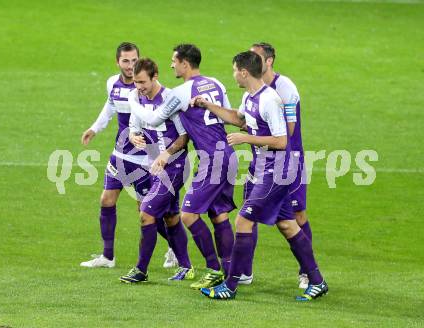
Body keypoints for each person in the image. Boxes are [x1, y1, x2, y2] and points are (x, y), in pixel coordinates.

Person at [192, 51, 328, 301]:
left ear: (244, 72)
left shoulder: (270, 100)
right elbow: (238, 118)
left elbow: (281, 140)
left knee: (243, 222)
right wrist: (208, 105)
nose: (233, 74)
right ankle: (317, 281)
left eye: (234, 70)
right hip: (264, 167)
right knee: (287, 225)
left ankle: (230, 285)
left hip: (275, 170)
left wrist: (246, 138)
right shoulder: (249, 96)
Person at [128, 44, 236, 289]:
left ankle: (214, 269)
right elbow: (229, 115)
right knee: (219, 215)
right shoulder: (216, 83)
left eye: (174, 61)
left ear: (185, 64)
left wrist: (130, 100)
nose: (171, 65)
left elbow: (154, 119)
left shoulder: (179, 92)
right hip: (227, 154)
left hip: (211, 159)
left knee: (187, 214)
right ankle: (232, 272)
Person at [80, 42, 177, 269]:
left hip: (144, 159)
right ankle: (107, 257)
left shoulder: (149, 88)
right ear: (118, 62)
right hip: (120, 154)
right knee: (106, 199)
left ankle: (174, 246)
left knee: (145, 211)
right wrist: (95, 128)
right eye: (126, 61)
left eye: (134, 60)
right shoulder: (112, 84)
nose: (131, 65)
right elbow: (110, 106)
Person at [119, 58, 195, 283]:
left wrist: (165, 155)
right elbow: (134, 124)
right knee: (171, 217)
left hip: (175, 166)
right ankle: (186, 267)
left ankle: (141, 270)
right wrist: (133, 135)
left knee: (146, 213)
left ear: (155, 77)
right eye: (135, 82)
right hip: (155, 166)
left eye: (142, 81)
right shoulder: (139, 97)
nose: (139, 86)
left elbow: (184, 136)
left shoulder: (171, 98)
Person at [249, 42, 311, 288]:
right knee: (248, 215)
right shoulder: (254, 89)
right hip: (263, 162)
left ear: (269, 60)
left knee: (297, 215)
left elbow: (289, 130)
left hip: (289, 161)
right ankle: (242, 271)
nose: (249, 61)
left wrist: (252, 135)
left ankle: (306, 271)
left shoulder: (284, 87)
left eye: (255, 57)